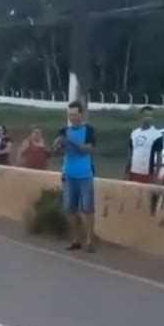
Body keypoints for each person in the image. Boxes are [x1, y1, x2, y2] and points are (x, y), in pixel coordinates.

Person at [53, 101, 96, 253]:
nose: (72, 118)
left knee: (87, 208)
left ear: (81, 114)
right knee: (70, 209)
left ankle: (90, 240)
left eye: (74, 114)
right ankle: (76, 238)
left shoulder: (89, 130)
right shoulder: (63, 131)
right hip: (69, 174)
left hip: (85, 174)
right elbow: (57, 153)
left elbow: (88, 150)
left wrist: (70, 141)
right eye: (70, 115)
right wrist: (58, 145)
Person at [125, 106, 163, 184]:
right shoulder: (134, 133)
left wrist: (156, 175)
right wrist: (126, 171)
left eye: (151, 116)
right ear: (141, 116)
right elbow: (130, 153)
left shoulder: (157, 135)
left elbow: (159, 156)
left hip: (147, 174)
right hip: (133, 172)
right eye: (146, 115)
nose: (148, 118)